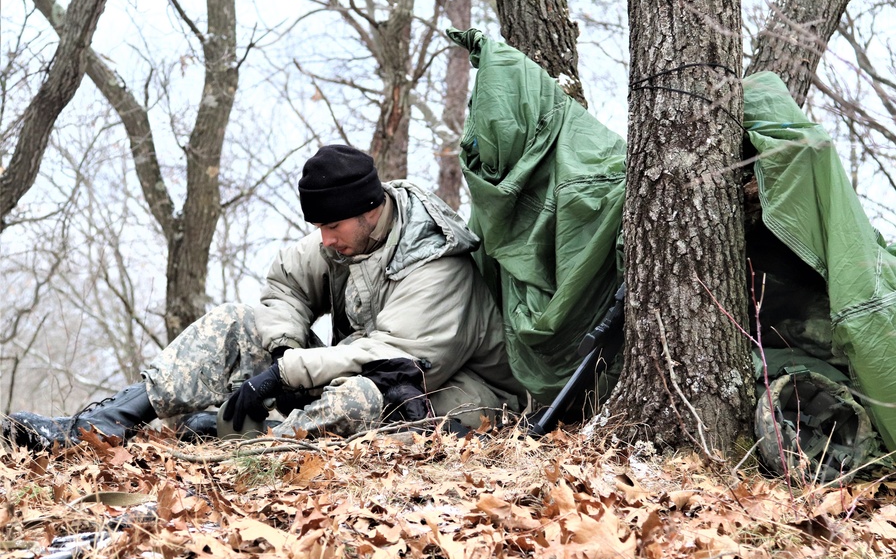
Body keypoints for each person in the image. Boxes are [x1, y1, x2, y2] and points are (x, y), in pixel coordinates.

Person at [3, 145, 525, 451]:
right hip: (378, 369)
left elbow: (396, 360)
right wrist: (280, 349)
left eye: (332, 225)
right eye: (318, 226)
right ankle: (105, 424)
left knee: (363, 396)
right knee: (239, 319)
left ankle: (246, 445)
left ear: (371, 210)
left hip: (459, 395)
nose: (324, 239)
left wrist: (285, 374)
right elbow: (285, 287)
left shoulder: (437, 263)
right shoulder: (347, 235)